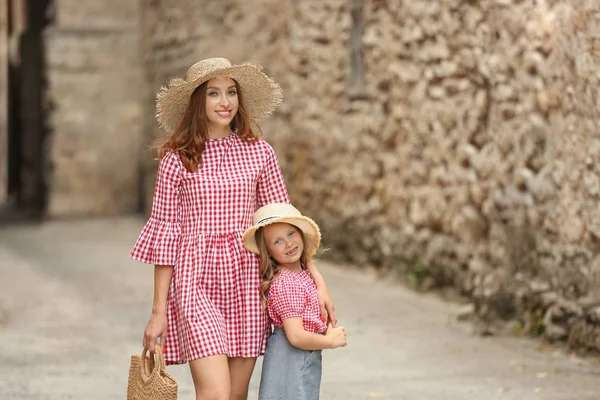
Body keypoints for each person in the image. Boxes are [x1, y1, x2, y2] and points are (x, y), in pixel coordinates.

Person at [129, 58, 338, 400]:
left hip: (247, 279)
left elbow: (284, 224)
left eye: (231, 92)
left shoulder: (259, 153)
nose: (225, 102)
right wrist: (158, 313)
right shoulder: (176, 159)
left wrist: (318, 283)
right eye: (214, 93)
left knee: (236, 395)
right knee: (215, 394)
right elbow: (166, 235)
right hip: (195, 280)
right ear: (199, 101)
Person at [243, 203, 347, 400]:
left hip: (300, 354)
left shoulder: (300, 274)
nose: (289, 243)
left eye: (291, 233)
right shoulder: (287, 283)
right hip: (293, 355)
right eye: (278, 241)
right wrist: (330, 341)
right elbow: (296, 336)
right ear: (269, 252)